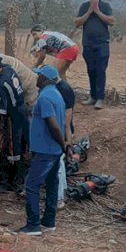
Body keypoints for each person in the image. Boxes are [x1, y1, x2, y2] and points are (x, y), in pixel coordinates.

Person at [17, 65, 67, 236]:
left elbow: (53, 124)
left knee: (32, 185)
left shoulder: (45, 97)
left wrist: (62, 143)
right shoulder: (57, 94)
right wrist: (63, 145)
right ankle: (49, 221)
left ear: (45, 78)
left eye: (39, 76)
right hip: (53, 150)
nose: (36, 78)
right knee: (52, 184)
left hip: (46, 150)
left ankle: (33, 225)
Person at [0, 54, 28, 190]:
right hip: (22, 107)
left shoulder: (0, 86)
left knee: (13, 146)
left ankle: (15, 179)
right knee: (22, 140)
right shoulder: (9, 69)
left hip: (13, 115)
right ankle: (22, 167)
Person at [74, 0, 115, 110]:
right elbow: (77, 23)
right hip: (88, 44)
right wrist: (89, 12)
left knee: (100, 70)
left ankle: (100, 98)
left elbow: (111, 21)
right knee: (91, 70)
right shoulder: (84, 7)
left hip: (102, 43)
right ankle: (92, 96)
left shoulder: (106, 6)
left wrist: (97, 11)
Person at [54, 75, 75, 209]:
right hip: (61, 132)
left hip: (61, 134)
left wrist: (67, 142)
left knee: (58, 167)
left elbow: (66, 122)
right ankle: (63, 191)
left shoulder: (64, 91)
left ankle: (60, 198)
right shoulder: (62, 88)